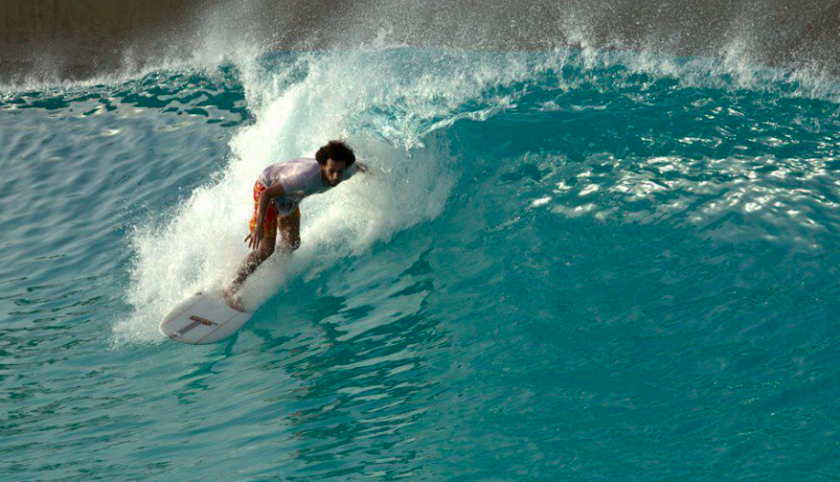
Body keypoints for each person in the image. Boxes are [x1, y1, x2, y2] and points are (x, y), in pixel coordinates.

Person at [223, 140, 364, 311]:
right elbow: (266, 194)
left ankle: (268, 266)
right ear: (322, 166)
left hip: (290, 198)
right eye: (331, 171)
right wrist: (259, 224)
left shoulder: (347, 170)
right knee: (267, 248)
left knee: (292, 243)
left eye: (339, 172)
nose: (336, 177)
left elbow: (362, 167)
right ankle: (233, 285)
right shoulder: (305, 178)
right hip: (267, 190)